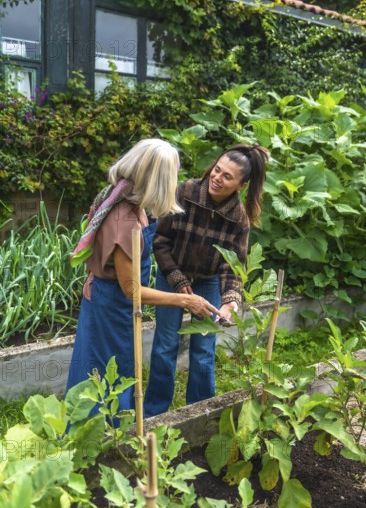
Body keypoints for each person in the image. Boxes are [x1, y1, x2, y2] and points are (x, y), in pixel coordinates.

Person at [66, 138, 220, 412]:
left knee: (118, 368)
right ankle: (100, 440)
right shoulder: (124, 221)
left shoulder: (129, 199)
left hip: (117, 304)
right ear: (157, 179)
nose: (175, 183)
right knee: (102, 374)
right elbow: (132, 290)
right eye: (172, 177)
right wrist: (186, 301)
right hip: (111, 306)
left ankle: (110, 436)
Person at [144, 143, 269, 417]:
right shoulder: (184, 192)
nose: (217, 177)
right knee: (166, 345)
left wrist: (231, 301)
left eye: (227, 177)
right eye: (217, 169)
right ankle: (154, 413)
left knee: (203, 348)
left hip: (208, 281)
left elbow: (233, 265)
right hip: (171, 275)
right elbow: (161, 242)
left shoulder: (239, 219)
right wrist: (177, 280)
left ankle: (201, 412)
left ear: (241, 185)